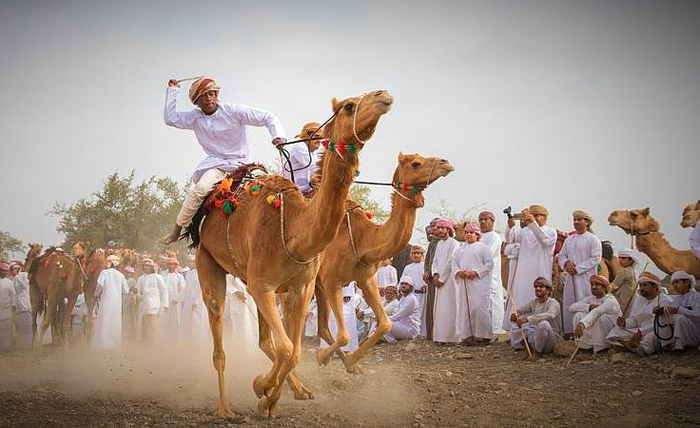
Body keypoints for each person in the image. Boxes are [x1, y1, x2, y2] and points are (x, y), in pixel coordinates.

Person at [161, 76, 287, 244]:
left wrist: (278, 136)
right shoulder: (194, 117)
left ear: (217, 95)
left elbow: (268, 117)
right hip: (217, 165)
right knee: (200, 189)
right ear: (196, 102)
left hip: (244, 164)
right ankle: (178, 229)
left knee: (269, 186)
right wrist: (173, 91)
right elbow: (170, 119)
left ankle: (283, 224)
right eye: (203, 96)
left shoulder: (234, 111)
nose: (208, 98)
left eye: (212, 94)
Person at [503, 205, 557, 332]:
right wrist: (510, 226)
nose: (534, 218)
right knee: (520, 300)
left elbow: (544, 241)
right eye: (532, 215)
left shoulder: (550, 231)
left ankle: (538, 334)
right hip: (523, 274)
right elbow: (510, 238)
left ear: (544, 217)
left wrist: (532, 223)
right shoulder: (525, 231)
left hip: (540, 271)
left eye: (537, 215)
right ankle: (519, 335)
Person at [606, 272, 673, 355]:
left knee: (651, 337)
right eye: (640, 285)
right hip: (637, 331)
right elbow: (634, 320)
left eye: (645, 285)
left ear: (655, 286)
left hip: (654, 330)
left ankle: (630, 346)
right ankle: (631, 346)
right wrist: (625, 323)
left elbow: (661, 323)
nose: (642, 288)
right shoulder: (639, 300)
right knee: (616, 330)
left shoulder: (664, 300)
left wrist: (640, 333)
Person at [558, 210, 602, 335]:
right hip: (570, 279)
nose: (576, 222)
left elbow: (596, 259)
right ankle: (570, 332)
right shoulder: (569, 240)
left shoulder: (593, 239)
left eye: (579, 219)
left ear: (587, 222)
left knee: (585, 303)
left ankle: (587, 333)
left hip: (586, 279)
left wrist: (577, 268)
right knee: (570, 304)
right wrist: (566, 263)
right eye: (575, 220)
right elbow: (561, 256)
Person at [452, 223, 494, 344]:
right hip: (464, 283)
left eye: (471, 232)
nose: (468, 235)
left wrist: (476, 273)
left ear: (477, 235)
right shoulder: (460, 248)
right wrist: (459, 272)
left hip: (479, 283)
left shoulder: (483, 247)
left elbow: (489, 264)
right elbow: (453, 263)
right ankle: (468, 336)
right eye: (466, 232)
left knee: (478, 308)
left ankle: (485, 335)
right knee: (465, 309)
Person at [510, 277, 563, 360]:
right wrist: (514, 314)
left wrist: (528, 319)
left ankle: (537, 353)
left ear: (548, 290)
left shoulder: (554, 303)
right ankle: (529, 349)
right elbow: (520, 311)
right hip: (535, 337)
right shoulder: (534, 302)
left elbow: (550, 315)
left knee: (543, 324)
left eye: (541, 286)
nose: (537, 288)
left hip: (550, 340)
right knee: (519, 323)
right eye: (536, 287)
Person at [569, 274, 622, 353]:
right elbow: (572, 307)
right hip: (594, 326)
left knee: (601, 317)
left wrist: (582, 323)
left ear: (604, 287)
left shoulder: (610, 300)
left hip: (610, 328)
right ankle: (584, 346)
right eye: (592, 284)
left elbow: (596, 312)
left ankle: (602, 347)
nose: (593, 287)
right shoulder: (591, 299)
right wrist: (589, 307)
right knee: (578, 315)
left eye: (597, 284)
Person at [653, 270, 700, 351]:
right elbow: (670, 312)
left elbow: (698, 315)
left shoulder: (697, 297)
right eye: (673, 283)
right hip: (685, 332)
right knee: (664, 316)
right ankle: (667, 344)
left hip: (695, 332)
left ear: (687, 282)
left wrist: (678, 310)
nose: (674, 285)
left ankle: (679, 346)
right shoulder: (676, 300)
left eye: (677, 282)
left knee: (679, 317)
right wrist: (660, 310)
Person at [431, 219, 460, 344]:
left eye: (442, 228)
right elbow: (435, 261)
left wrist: (442, 278)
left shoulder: (454, 243)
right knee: (440, 309)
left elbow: (451, 262)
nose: (439, 231)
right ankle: (440, 337)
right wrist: (435, 274)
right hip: (439, 281)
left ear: (448, 229)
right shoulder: (439, 244)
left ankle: (451, 338)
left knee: (451, 307)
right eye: (438, 228)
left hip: (450, 281)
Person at [91, 255, 129, 351]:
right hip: (117, 303)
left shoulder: (104, 273)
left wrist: (95, 294)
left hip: (106, 302)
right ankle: (114, 346)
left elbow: (99, 285)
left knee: (104, 322)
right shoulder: (120, 275)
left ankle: (103, 345)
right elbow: (126, 290)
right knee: (115, 323)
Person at [478, 211, 505, 336]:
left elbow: (487, 254)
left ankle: (495, 330)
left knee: (493, 303)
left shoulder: (495, 237)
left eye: (486, 219)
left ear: (492, 221)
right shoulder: (478, 237)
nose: (483, 222)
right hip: (478, 276)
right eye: (481, 220)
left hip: (491, 276)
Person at [282, 122, 323, 197]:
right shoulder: (299, 147)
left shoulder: (314, 153)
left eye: (320, 138)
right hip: (292, 192)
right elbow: (315, 168)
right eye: (316, 136)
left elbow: (316, 173)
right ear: (307, 136)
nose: (319, 140)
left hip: (307, 192)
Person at [136, 259, 168, 344]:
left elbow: (164, 290)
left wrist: (165, 304)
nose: (145, 267)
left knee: (153, 324)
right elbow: (138, 291)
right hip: (144, 305)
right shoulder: (141, 278)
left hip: (154, 304)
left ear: (151, 267)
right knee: (146, 325)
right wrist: (139, 296)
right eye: (144, 265)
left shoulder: (157, 277)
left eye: (147, 265)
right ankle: (148, 343)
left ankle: (155, 342)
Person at [180, 256, 209, 348]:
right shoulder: (189, 274)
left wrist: (196, 301)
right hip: (189, 301)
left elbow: (203, 288)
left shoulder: (203, 273)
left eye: (191, 261)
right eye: (188, 261)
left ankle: (199, 344)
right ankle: (189, 343)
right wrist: (183, 299)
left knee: (198, 323)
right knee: (187, 322)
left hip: (199, 303)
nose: (189, 263)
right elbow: (186, 288)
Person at [322, 282, 359, 352]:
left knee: (346, 322)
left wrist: (347, 293)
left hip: (344, 294)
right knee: (331, 321)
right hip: (330, 291)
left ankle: (345, 349)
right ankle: (330, 348)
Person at [384, 276, 421, 342]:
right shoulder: (403, 298)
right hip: (402, 326)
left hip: (410, 330)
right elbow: (397, 315)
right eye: (402, 284)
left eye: (406, 284)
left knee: (384, 323)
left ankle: (393, 341)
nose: (403, 285)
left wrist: (385, 319)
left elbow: (399, 316)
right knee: (382, 322)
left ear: (411, 287)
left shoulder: (411, 299)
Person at [422, 219, 440, 339]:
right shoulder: (433, 242)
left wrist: (434, 272)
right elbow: (428, 259)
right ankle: (431, 334)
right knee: (431, 306)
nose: (433, 229)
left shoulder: (447, 242)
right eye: (432, 226)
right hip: (431, 279)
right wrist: (426, 271)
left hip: (440, 279)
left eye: (435, 226)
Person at [161, 258, 186, 338]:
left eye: (173, 264)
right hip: (164, 301)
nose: (171, 266)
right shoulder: (162, 274)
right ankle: (164, 337)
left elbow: (183, 290)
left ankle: (175, 338)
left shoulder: (179, 277)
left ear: (176, 265)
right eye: (169, 264)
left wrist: (177, 299)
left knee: (176, 320)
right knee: (163, 319)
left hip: (175, 302)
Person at [611, 248, 638, 317]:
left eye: (623, 258)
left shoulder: (624, 271)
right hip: (630, 302)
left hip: (622, 303)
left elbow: (613, 286)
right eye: (619, 258)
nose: (620, 260)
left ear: (631, 260)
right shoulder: (632, 271)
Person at [11, 262, 32, 350]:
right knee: (19, 326)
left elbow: (25, 286)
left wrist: (17, 277)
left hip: (25, 303)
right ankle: (20, 344)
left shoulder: (23, 275)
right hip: (17, 305)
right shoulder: (11, 279)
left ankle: (28, 344)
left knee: (27, 325)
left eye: (14, 269)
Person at [402, 245, 427, 315]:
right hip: (411, 296)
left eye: (418, 253)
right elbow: (402, 281)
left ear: (422, 255)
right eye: (413, 253)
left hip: (423, 296)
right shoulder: (407, 268)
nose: (416, 255)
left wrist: (427, 285)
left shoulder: (426, 266)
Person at [0, 263, 15, 351]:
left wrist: (13, 304)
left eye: (6, 271)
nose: (4, 273)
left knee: (6, 328)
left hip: (7, 308)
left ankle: (6, 347)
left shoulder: (9, 282)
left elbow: (13, 294)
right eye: (3, 271)